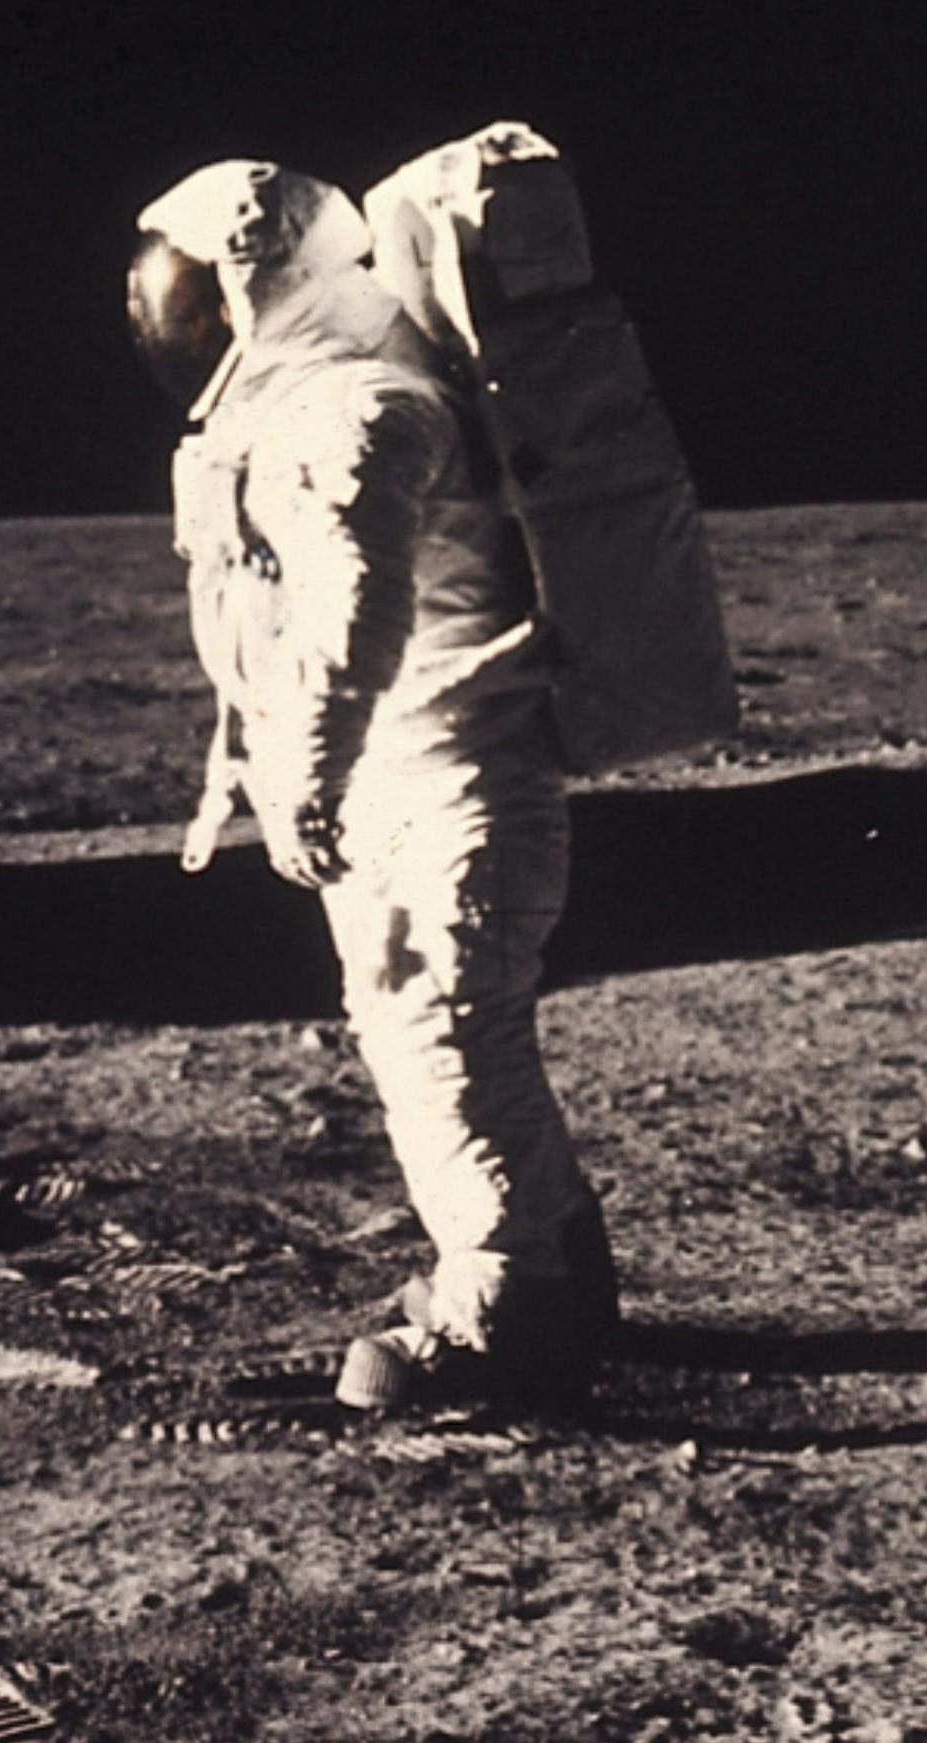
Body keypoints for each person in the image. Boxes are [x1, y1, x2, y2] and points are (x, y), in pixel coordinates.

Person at [137, 158, 616, 1415]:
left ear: (254, 288)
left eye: (189, 301)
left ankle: (504, 1314)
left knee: (442, 1040)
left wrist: (303, 776)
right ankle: (562, 1265)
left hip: (450, 779)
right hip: (425, 771)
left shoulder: (357, 409)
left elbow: (359, 615)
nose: (172, 329)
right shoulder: (330, 396)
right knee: (454, 1034)